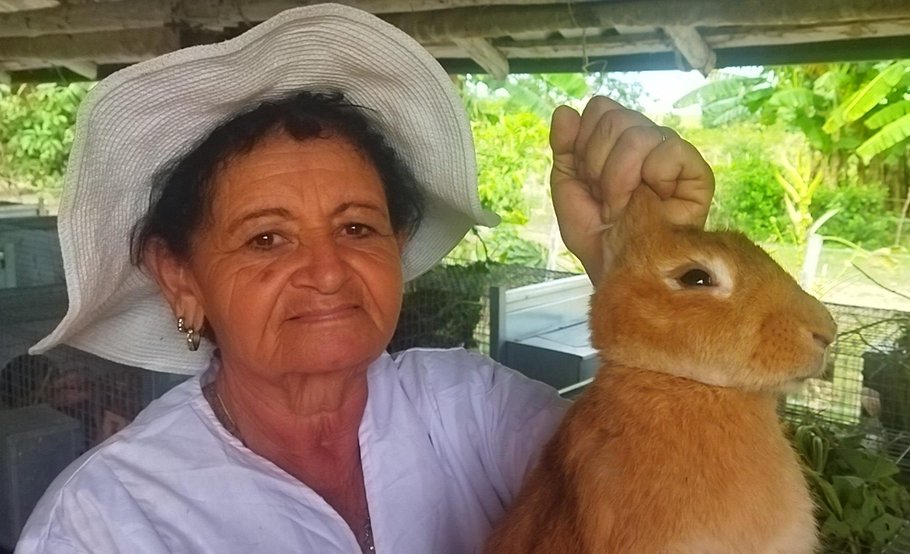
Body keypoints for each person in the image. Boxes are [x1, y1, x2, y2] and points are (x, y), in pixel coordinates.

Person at [15, 4, 713, 554]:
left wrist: (641, 272)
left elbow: (672, 514)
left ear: (396, 244)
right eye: (266, 238)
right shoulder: (107, 522)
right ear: (181, 279)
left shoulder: (468, 408)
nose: (326, 270)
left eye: (355, 228)